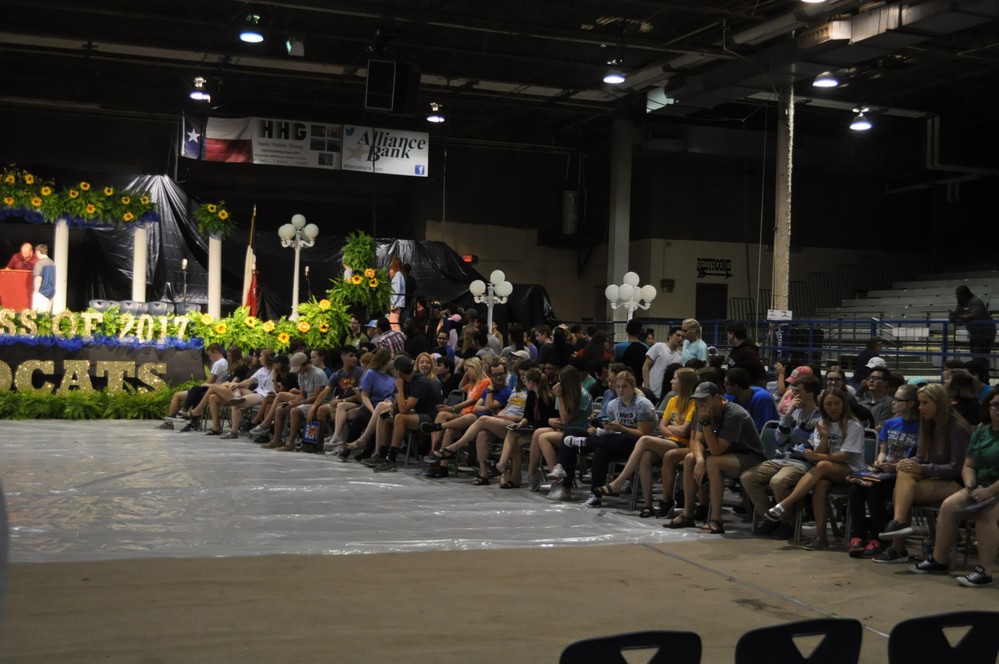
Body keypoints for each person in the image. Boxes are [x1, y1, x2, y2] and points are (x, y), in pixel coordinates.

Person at [907, 388, 999, 586]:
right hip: (979, 486)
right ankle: (939, 560)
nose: (998, 409)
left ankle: (985, 571)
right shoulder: (982, 431)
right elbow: (968, 465)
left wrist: (989, 492)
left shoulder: (958, 427)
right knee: (948, 506)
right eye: (995, 405)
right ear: (989, 407)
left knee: (986, 513)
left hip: (994, 490)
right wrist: (971, 485)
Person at [874, 383, 972, 563]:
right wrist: (910, 463)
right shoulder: (927, 425)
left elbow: (957, 468)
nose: (920, 408)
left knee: (901, 492)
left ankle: (898, 544)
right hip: (933, 477)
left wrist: (923, 468)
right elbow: (920, 457)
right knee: (904, 472)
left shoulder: (957, 428)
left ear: (939, 403)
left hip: (956, 483)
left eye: (924, 403)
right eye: (919, 403)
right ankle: (900, 523)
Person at [763, 387, 867, 549]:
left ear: (843, 405)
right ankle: (821, 537)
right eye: (829, 404)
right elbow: (820, 452)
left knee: (822, 464)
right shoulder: (821, 423)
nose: (833, 407)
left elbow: (844, 456)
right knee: (820, 486)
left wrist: (818, 457)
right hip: (828, 469)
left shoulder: (853, 425)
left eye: (836, 403)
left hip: (853, 469)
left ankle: (785, 504)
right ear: (823, 406)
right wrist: (824, 437)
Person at [664, 382, 765, 534]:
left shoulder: (734, 414)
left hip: (751, 457)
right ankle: (688, 514)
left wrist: (705, 423)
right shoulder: (702, 411)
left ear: (717, 397)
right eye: (697, 400)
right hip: (726, 455)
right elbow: (697, 441)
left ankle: (716, 519)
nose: (699, 403)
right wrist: (699, 460)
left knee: (713, 462)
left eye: (703, 399)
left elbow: (717, 451)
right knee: (690, 459)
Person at [595, 368, 698, 517]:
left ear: (685, 383)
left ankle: (618, 483)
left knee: (644, 440)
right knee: (645, 457)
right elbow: (662, 427)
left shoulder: (693, 403)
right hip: (667, 441)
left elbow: (684, 431)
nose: (671, 381)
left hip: (684, 444)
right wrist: (672, 429)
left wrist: (671, 428)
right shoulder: (672, 400)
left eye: (675, 378)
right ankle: (648, 505)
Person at [556, 370, 656, 508]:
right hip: (614, 440)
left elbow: (643, 434)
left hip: (639, 444)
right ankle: (595, 495)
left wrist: (621, 428)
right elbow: (612, 431)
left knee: (621, 439)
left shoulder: (642, 404)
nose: (621, 390)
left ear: (633, 386)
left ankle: (585, 443)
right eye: (618, 386)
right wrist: (606, 428)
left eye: (625, 386)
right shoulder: (613, 404)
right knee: (597, 448)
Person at [741, 374, 822, 540]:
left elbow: (812, 446)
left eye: (797, 391)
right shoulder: (793, 413)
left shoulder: (820, 417)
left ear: (810, 394)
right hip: (780, 458)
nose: (792, 394)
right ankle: (769, 517)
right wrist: (789, 413)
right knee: (748, 477)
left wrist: (795, 440)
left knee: (778, 481)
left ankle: (788, 522)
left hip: (802, 463)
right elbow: (779, 440)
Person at [845, 383, 920, 558]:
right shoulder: (890, 423)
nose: (893, 403)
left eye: (898, 400)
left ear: (910, 403)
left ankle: (878, 537)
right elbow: (883, 450)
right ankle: (858, 535)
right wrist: (880, 460)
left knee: (875, 492)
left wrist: (894, 466)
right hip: (885, 470)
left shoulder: (921, 426)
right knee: (856, 488)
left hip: (902, 473)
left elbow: (917, 456)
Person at [365, 354, 442, 473]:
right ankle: (381, 455)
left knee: (400, 418)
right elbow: (398, 402)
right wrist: (391, 408)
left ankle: (391, 459)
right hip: (417, 414)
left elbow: (404, 410)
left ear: (398, 371)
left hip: (431, 417)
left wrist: (399, 388)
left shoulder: (420, 382)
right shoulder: (407, 379)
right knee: (385, 416)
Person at [494, 367, 558, 488]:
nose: (524, 383)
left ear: (532, 382)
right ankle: (506, 468)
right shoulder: (532, 395)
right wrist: (521, 423)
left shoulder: (549, 397)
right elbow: (527, 416)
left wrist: (528, 426)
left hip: (544, 430)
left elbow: (547, 421)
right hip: (533, 428)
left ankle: (506, 468)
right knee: (512, 431)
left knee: (515, 441)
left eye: (526, 380)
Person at [950, 285, 995, 362]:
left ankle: (982, 373)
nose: (957, 298)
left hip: (985, 333)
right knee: (974, 355)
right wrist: (952, 316)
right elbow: (957, 314)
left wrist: (959, 317)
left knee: (979, 357)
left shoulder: (976, 301)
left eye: (958, 296)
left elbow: (973, 315)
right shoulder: (962, 303)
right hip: (974, 334)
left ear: (964, 295)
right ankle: (982, 372)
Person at [643, 326, 684, 401]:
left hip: (666, 393)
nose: (680, 338)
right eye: (678, 335)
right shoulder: (659, 346)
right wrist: (646, 386)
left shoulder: (680, 355)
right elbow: (646, 366)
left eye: (682, 337)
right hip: (651, 390)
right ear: (670, 336)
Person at [30, 243, 55, 313]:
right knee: (47, 315)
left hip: (41, 292)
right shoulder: (52, 263)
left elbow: (38, 278)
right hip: (51, 292)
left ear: (38, 251)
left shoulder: (40, 263)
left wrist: (35, 292)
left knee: (38, 315)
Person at [388, 256, 405, 331]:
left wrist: (393, 303)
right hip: (397, 303)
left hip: (396, 303)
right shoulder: (400, 274)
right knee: (393, 323)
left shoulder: (398, 274)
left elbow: (396, 290)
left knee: (394, 322)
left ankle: (399, 338)